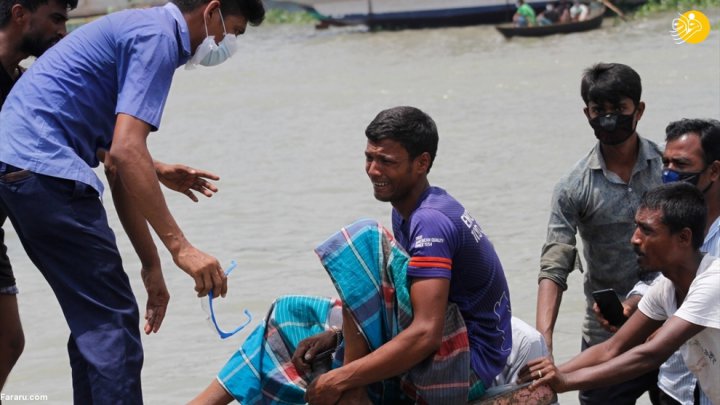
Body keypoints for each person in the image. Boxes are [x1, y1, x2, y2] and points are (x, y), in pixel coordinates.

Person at [0, 0, 265, 401]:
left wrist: (151, 265)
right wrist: (183, 249)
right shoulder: (159, 38)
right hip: (43, 171)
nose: (227, 44)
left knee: (97, 322)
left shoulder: (143, 29)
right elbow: (127, 151)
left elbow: (118, 162)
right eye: (234, 32)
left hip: (23, 171)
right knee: (111, 326)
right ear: (212, 12)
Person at [190, 106, 536, 404]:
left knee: (363, 240)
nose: (373, 170)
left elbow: (426, 332)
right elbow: (399, 300)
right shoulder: (409, 211)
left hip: (465, 365)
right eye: (369, 158)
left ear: (422, 163)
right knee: (288, 314)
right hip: (447, 346)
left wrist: (345, 378)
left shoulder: (430, 221)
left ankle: (355, 395)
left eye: (386, 161)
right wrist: (339, 335)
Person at [519, 182, 719, 405]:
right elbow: (611, 348)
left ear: (684, 238)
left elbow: (651, 354)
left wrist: (565, 381)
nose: (635, 239)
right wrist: (545, 377)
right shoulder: (666, 287)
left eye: (647, 230)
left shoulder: (712, 282)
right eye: (637, 227)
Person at [536, 62, 663, 405]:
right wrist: (543, 340)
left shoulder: (669, 171)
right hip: (607, 334)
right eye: (599, 110)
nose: (609, 118)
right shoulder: (574, 186)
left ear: (639, 110)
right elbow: (555, 260)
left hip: (672, 324)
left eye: (619, 109)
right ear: (586, 114)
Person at [595, 118, 719, 405]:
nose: (670, 173)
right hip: (677, 380)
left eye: (681, 165)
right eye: (666, 164)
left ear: (713, 170)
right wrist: (635, 301)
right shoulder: (667, 213)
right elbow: (666, 275)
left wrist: (664, 326)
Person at [0, 0, 77, 390]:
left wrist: (154, 167)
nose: (62, 31)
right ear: (19, 14)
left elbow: (66, 136)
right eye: (56, 19)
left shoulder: (24, 84)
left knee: (9, 342)